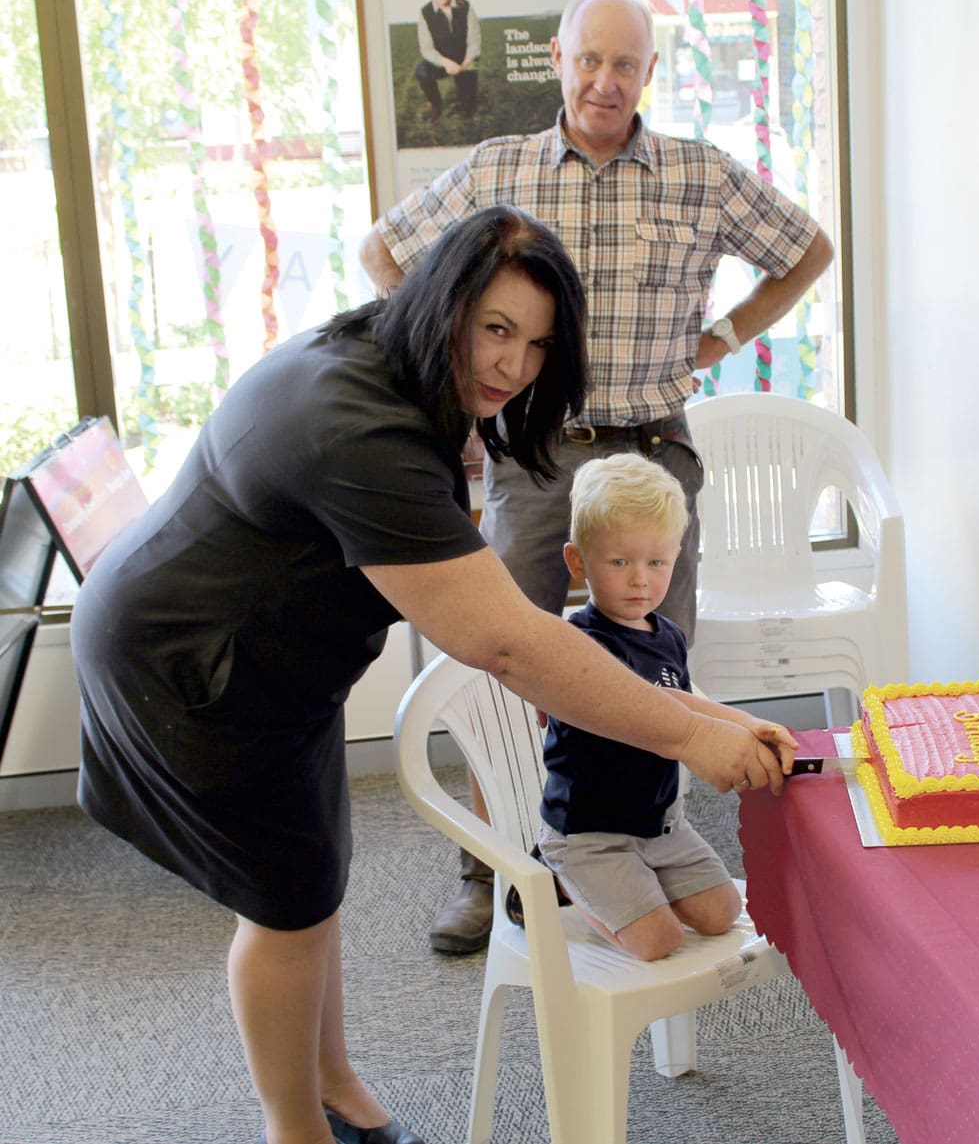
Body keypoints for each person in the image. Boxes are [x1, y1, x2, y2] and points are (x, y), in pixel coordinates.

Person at [70, 206, 792, 1144]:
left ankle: (337, 1090)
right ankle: (297, 1131)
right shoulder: (357, 426)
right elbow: (508, 643)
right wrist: (697, 734)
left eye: (536, 343)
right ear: (442, 301)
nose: (513, 366)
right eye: (495, 329)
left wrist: (707, 719)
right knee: (285, 908)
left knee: (315, 881)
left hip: (272, 663)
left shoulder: (393, 360)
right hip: (189, 665)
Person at [359, 0, 834, 956]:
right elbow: (384, 251)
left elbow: (808, 249)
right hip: (540, 455)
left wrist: (727, 333)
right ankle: (492, 872)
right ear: (559, 61)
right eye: (589, 60)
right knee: (499, 663)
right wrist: (462, 354)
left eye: (625, 64)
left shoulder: (700, 175)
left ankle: (646, 847)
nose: (605, 82)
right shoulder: (503, 169)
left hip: (655, 456)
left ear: (650, 73)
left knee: (651, 673)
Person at [538, 453, 796, 960]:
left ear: (676, 556)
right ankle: (563, 879)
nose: (640, 581)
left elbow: (689, 697)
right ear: (577, 562)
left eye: (656, 563)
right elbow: (662, 705)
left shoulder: (668, 633)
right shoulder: (578, 645)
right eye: (619, 562)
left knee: (722, 916)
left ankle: (638, 882)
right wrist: (742, 723)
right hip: (592, 832)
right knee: (660, 943)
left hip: (661, 823)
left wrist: (752, 724)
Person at [415, 0, 479, 124]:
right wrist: (446, 63)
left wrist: (464, 64)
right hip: (441, 62)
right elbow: (427, 49)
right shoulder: (425, 13)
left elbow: (474, 42)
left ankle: (466, 104)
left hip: (464, 61)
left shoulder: (466, 8)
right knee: (421, 71)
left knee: (467, 111)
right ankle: (436, 105)